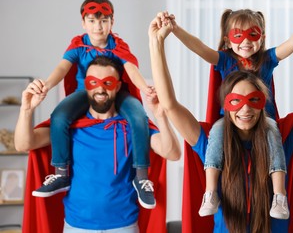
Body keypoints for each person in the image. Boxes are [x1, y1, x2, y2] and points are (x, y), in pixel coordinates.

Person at [149, 5, 293, 232]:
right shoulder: (213, 141)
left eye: (253, 100)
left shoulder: (281, 136)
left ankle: (278, 196)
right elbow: (170, 105)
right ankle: (210, 193)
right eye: (236, 101)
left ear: (264, 101)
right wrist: (156, 43)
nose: (245, 110)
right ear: (225, 103)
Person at [14, 55, 181, 232]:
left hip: (124, 226)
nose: (100, 89)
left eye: (107, 83)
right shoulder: (69, 127)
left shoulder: (133, 127)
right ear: (85, 85)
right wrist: (26, 109)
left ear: (117, 87)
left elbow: (172, 153)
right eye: (93, 82)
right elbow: (24, 144)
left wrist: (161, 116)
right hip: (76, 226)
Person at [32, 0, 157, 209]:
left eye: (103, 21)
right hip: (85, 92)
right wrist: (47, 84)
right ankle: (61, 172)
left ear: (112, 22)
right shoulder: (79, 45)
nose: (98, 27)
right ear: (83, 23)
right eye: (92, 21)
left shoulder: (118, 45)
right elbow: (63, 67)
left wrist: (145, 88)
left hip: (116, 92)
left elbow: (131, 69)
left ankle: (141, 175)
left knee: (138, 117)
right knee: (59, 117)